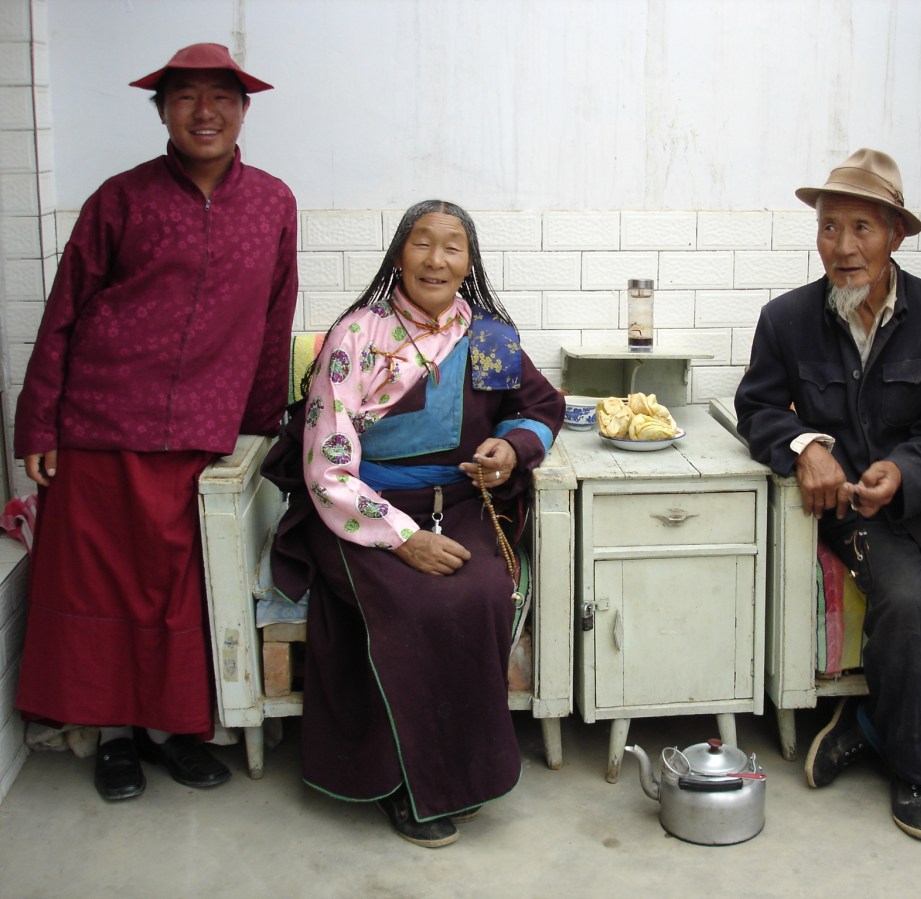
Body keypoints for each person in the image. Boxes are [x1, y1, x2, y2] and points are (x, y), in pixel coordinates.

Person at [13, 43, 298, 801]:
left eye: (221, 97)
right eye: (185, 97)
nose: (204, 112)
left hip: (200, 431)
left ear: (244, 110)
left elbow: (274, 319)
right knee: (100, 586)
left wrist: (260, 429)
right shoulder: (120, 198)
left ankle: (172, 732)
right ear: (163, 111)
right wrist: (38, 422)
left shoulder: (273, 203)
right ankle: (112, 737)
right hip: (100, 422)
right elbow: (65, 310)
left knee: (178, 589)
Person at [263, 200, 564, 849]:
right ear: (399, 254)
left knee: (480, 591)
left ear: (469, 262)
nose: (436, 259)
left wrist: (511, 447)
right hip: (358, 509)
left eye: (452, 247)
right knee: (415, 600)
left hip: (459, 505)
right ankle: (403, 781)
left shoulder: (487, 338)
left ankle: (460, 770)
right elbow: (326, 465)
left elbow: (540, 407)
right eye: (422, 243)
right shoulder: (357, 336)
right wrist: (403, 538)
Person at [736, 149, 921, 840]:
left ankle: (867, 727)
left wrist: (904, 469)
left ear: (896, 236)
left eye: (862, 227)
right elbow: (757, 409)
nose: (843, 246)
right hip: (860, 514)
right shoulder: (786, 320)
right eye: (829, 227)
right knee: (905, 604)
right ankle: (916, 775)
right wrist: (807, 446)